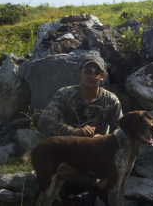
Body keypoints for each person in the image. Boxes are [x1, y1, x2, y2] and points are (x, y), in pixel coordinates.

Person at [38, 55, 122, 206]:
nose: (92, 75)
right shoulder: (65, 94)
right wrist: (72, 132)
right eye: (87, 71)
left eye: (97, 72)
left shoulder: (111, 100)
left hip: (94, 157)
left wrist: (101, 139)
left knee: (126, 154)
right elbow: (44, 119)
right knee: (46, 137)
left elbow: (121, 134)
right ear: (79, 73)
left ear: (102, 77)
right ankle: (52, 195)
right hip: (66, 154)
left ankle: (92, 193)